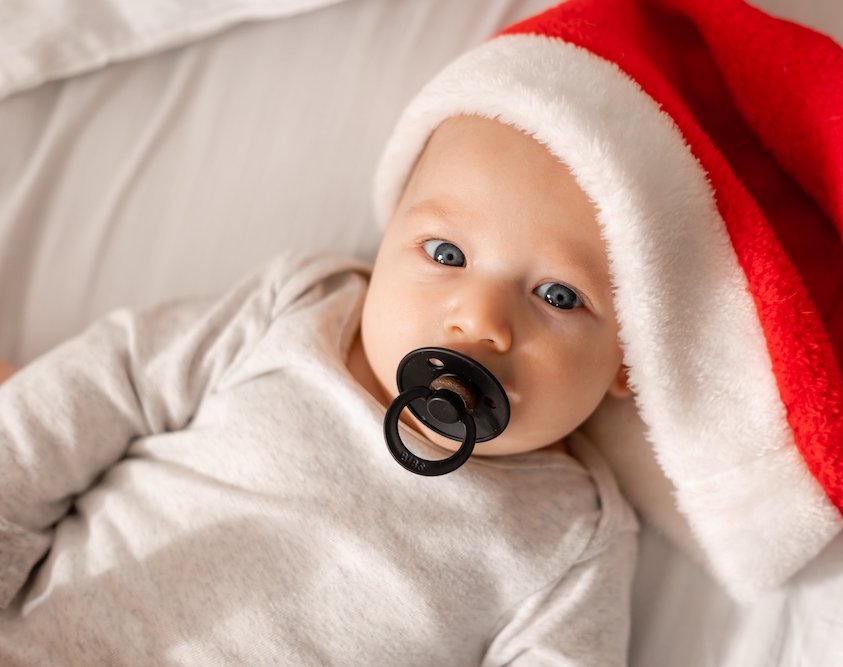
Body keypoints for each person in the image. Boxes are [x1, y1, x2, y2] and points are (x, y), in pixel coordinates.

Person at [0, 113, 638, 665]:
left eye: (558, 295)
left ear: (628, 360)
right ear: (389, 237)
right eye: (446, 253)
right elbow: (98, 388)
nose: (480, 320)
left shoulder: (572, 537)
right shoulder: (302, 311)